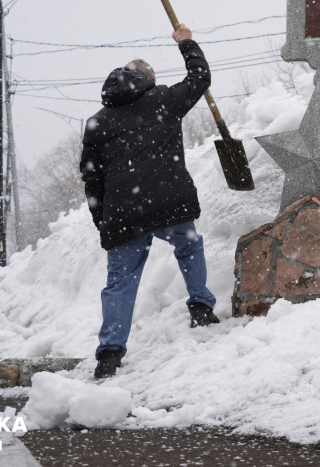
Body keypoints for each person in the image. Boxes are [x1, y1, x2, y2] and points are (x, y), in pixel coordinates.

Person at [80, 23, 219, 380]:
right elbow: (200, 77)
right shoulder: (164, 101)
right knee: (189, 247)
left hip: (123, 214)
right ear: (148, 82)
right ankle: (201, 306)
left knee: (121, 282)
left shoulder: (97, 123)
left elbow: (92, 178)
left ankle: (110, 353)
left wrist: (103, 219)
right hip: (169, 203)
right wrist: (187, 43)